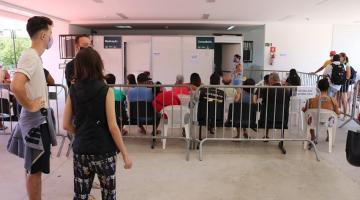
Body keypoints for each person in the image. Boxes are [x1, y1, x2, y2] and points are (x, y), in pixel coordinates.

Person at [63, 47, 132, 200]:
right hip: (104, 150)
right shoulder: (106, 90)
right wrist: (125, 155)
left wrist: (80, 132)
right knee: (108, 195)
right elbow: (113, 127)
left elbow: (65, 125)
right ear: (98, 65)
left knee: (81, 194)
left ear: (78, 66)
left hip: (81, 150)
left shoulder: (73, 90)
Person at [8, 16, 57, 200]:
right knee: (35, 171)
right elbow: (16, 85)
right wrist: (30, 104)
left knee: (32, 168)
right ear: (44, 35)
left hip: (38, 119)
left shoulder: (35, 57)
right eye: (51, 33)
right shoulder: (30, 56)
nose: (51, 37)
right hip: (35, 122)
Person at [302, 78, 340, 148]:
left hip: (313, 122)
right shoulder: (333, 100)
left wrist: (302, 108)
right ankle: (329, 135)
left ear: (318, 87)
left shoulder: (311, 99)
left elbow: (305, 111)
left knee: (310, 117)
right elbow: (337, 113)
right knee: (331, 117)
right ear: (328, 88)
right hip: (327, 123)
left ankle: (313, 136)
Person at [259, 72, 290, 152]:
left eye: (269, 80)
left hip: (267, 119)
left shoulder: (267, 89)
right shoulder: (286, 90)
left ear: (272, 80)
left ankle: (266, 135)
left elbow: (260, 99)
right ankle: (281, 139)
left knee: (267, 108)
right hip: (282, 119)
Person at [337, 52, 351, 118]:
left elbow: (348, 76)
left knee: (344, 100)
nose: (339, 58)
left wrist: (343, 81)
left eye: (340, 56)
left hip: (344, 85)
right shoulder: (340, 64)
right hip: (340, 84)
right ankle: (339, 113)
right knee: (339, 99)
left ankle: (345, 115)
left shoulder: (346, 64)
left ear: (343, 57)